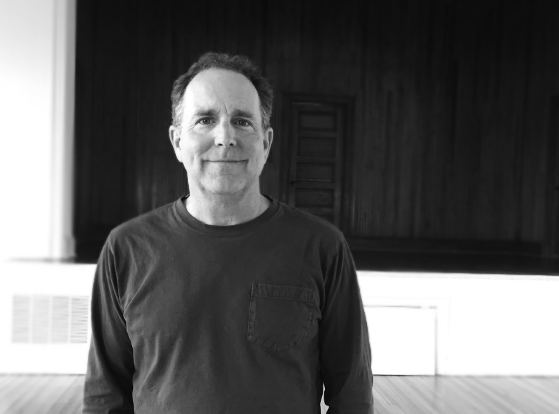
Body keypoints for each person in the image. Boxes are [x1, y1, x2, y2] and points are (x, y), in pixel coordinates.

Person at [82, 52, 374, 413]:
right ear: (177, 141)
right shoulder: (126, 249)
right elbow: (105, 396)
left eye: (242, 121)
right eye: (205, 120)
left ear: (266, 143)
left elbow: (352, 394)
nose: (225, 137)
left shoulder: (322, 247)